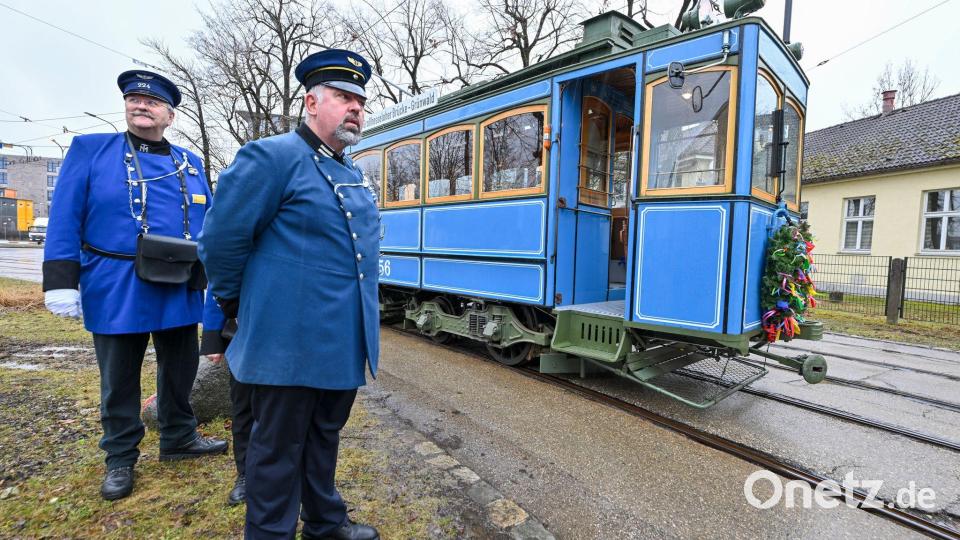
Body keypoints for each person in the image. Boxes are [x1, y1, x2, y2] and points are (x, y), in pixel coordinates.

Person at [198, 49, 380, 540]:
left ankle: (323, 523)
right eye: (343, 97)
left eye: (361, 100)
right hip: (286, 338)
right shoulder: (273, 157)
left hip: (341, 339)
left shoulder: (351, 172)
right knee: (276, 451)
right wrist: (239, 306)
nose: (356, 108)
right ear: (311, 102)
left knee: (323, 439)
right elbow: (221, 241)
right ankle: (271, 533)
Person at [43, 70, 227, 501]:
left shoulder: (190, 162)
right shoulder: (91, 150)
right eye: (134, 98)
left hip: (180, 281)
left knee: (180, 370)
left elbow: (211, 224)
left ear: (170, 114)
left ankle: (178, 438)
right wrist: (61, 280)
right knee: (119, 378)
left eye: (152, 101)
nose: (141, 105)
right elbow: (65, 215)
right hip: (115, 280)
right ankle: (121, 456)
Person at [199, 289, 250, 506]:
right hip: (246, 328)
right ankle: (248, 473)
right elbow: (219, 272)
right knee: (245, 406)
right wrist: (212, 334)